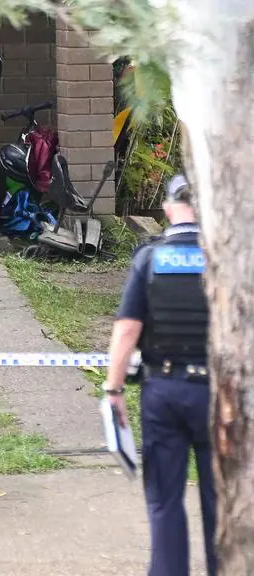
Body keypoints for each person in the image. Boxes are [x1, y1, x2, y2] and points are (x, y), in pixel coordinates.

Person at [103, 174, 216, 576]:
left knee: (165, 500)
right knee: (221, 500)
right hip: (218, 395)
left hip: (163, 391)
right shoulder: (229, 259)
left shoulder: (150, 259)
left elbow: (127, 330)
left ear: (168, 209)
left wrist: (113, 389)